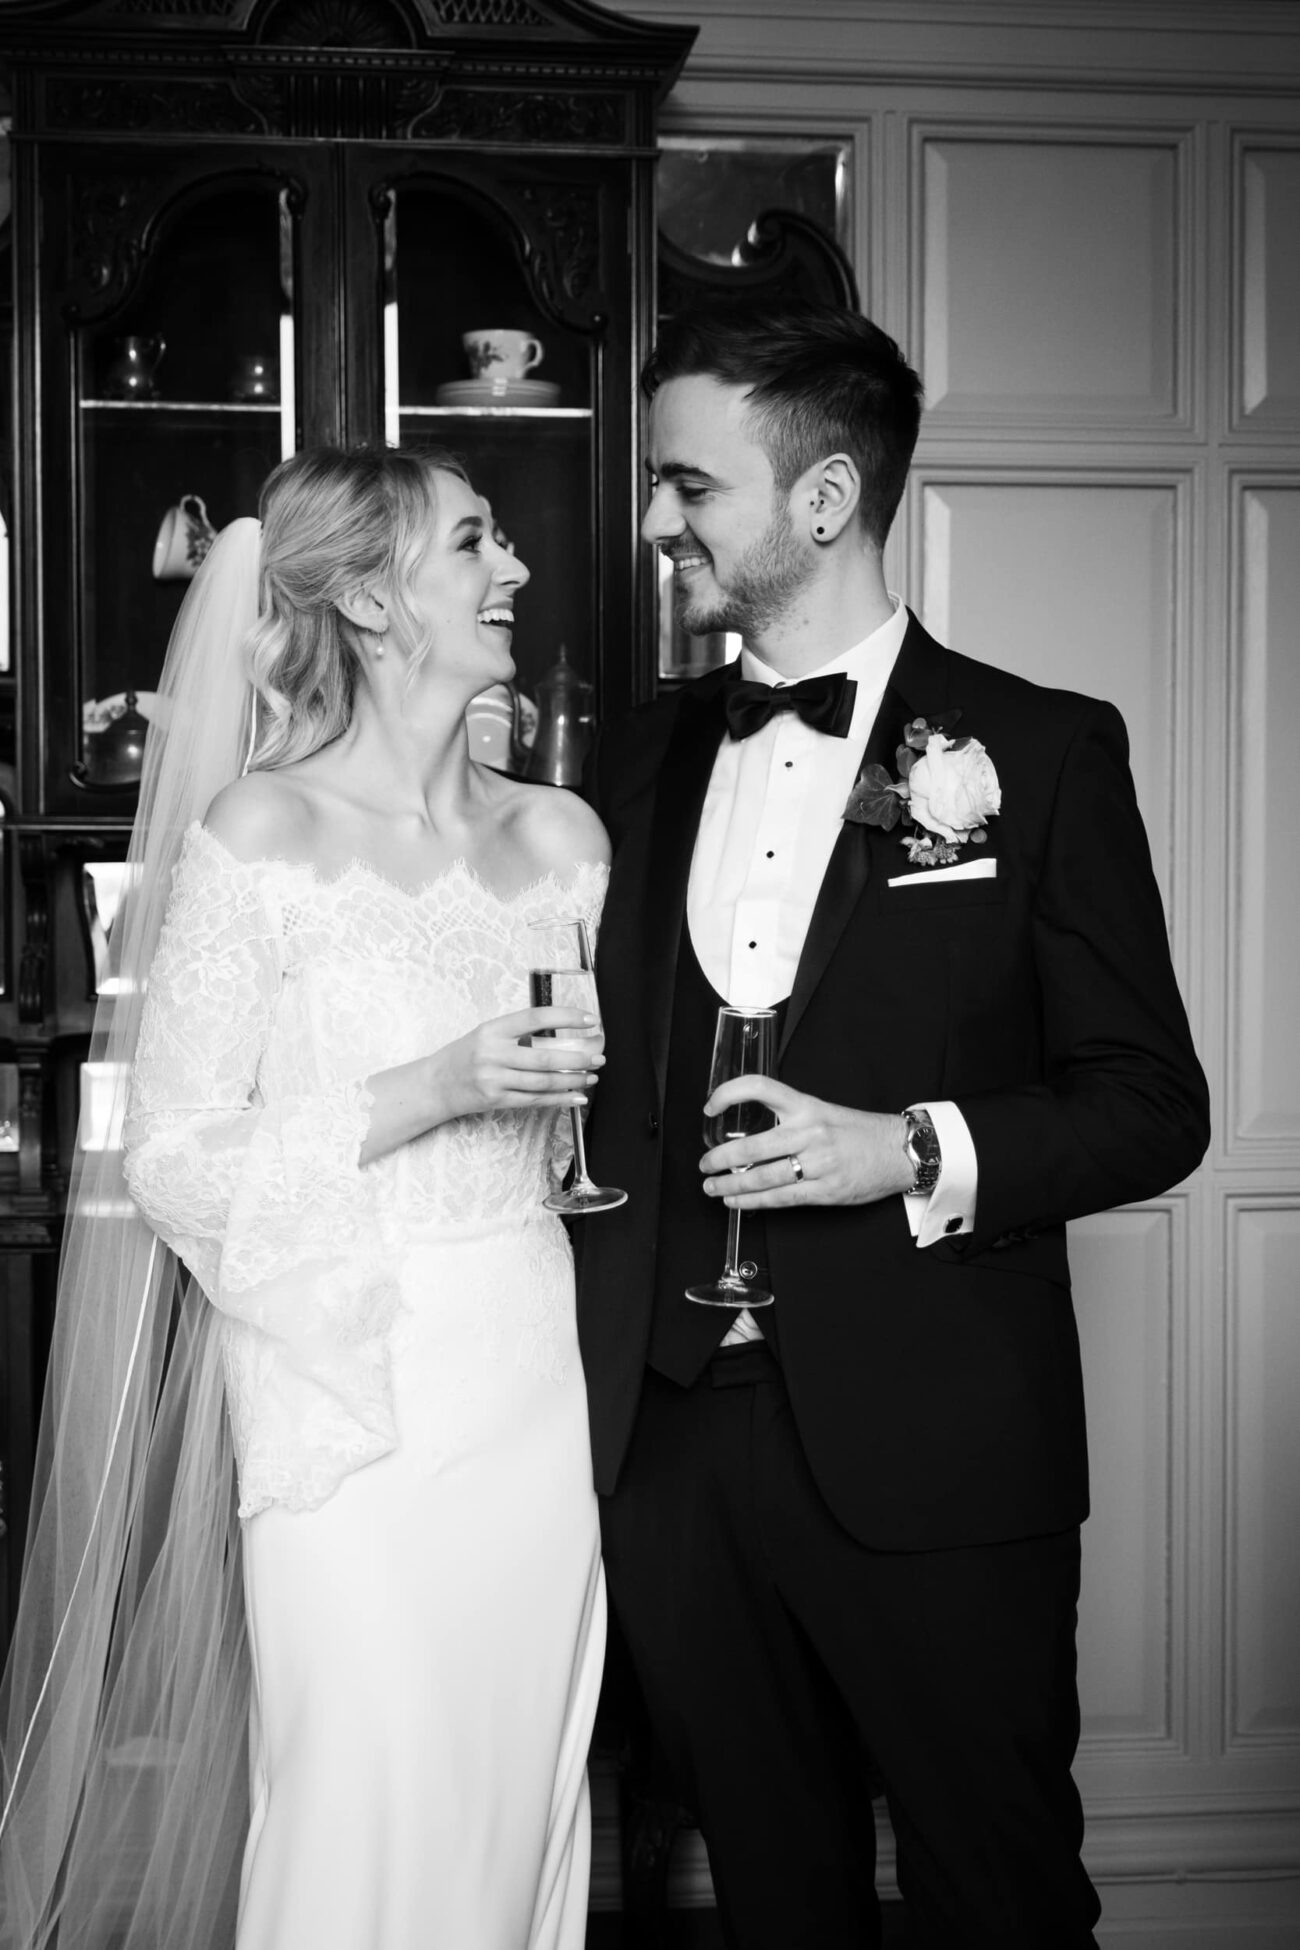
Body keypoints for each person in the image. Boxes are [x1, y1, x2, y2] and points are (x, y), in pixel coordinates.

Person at [577, 299, 1210, 1948]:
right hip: (673, 1453)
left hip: (943, 1448)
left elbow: (1153, 1104)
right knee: (772, 1900)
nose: (654, 522)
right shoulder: (634, 761)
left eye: (688, 485)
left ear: (825, 498)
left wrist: (907, 1145)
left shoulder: (1042, 751)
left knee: (994, 1892)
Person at [0, 446, 610, 1950]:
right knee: (362, 1797)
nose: (515, 568)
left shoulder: (564, 841)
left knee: (510, 1794)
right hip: (345, 1405)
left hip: (527, 1378)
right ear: (372, 597)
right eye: (475, 543)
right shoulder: (257, 835)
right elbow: (175, 1155)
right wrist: (439, 1083)